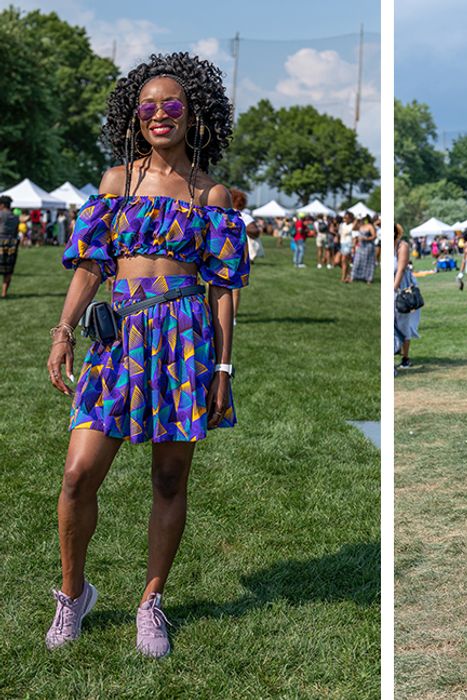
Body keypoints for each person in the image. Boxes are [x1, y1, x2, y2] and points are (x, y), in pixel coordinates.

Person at [44, 52, 248, 659]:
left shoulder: (212, 193)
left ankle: (150, 602)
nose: (160, 114)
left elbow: (223, 291)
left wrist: (222, 370)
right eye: (148, 106)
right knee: (79, 473)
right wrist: (63, 331)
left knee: (168, 478)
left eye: (172, 105)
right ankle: (73, 594)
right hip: (117, 340)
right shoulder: (116, 183)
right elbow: (89, 267)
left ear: (194, 115)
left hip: (185, 342)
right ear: (134, 117)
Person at [394, 224, 419, 368]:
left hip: (401, 288)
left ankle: (405, 357)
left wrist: (393, 290)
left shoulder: (402, 246)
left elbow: (401, 269)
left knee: (403, 323)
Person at [0, 195, 19, 298]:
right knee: (8, 270)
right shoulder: (15, 217)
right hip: (12, 243)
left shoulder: (1, 214)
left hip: (0, 241)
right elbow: (16, 232)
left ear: (2, 205)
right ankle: (4, 293)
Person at [351, 215, 378, 283]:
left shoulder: (370, 226)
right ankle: (354, 276)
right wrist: (356, 219)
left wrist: (366, 238)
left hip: (368, 246)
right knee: (357, 261)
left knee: (368, 262)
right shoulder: (361, 226)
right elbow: (353, 228)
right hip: (361, 246)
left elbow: (374, 236)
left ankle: (368, 278)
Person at [338, 211, 356, 283]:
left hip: (348, 244)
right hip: (342, 243)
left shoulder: (352, 225)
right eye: (344, 217)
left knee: (344, 261)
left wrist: (353, 246)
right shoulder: (342, 225)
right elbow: (340, 233)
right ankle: (349, 273)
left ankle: (343, 278)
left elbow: (355, 237)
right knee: (337, 261)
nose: (345, 219)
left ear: (350, 218)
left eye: (346, 217)